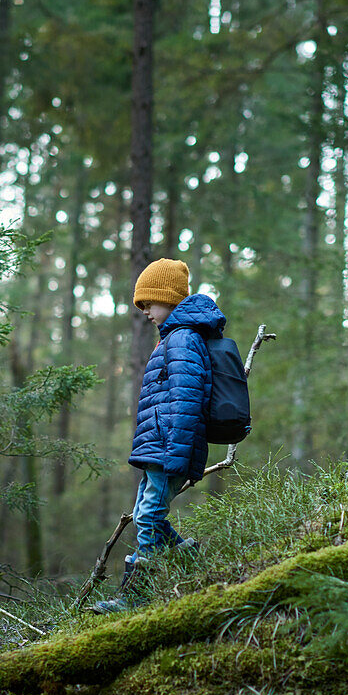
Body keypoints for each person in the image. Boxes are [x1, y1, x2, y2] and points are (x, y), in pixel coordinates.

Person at [92, 258, 224, 614]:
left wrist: (172, 451)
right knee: (145, 513)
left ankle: (136, 597)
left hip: (170, 447)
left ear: (168, 297)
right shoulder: (176, 337)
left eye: (149, 303)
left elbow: (186, 398)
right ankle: (187, 561)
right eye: (142, 306)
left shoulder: (182, 338)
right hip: (162, 446)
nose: (146, 312)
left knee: (149, 515)